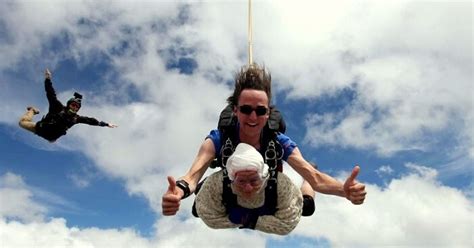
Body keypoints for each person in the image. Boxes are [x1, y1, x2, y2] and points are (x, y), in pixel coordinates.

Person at [162, 63, 366, 218]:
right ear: (235, 110)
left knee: (307, 208)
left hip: (266, 185)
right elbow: (192, 176)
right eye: (245, 109)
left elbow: (315, 177)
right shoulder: (218, 139)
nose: (253, 118)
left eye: (260, 111)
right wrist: (178, 192)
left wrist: (344, 191)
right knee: (198, 208)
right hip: (235, 183)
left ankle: (302, 189)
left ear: (268, 113)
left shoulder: (278, 142)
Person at [195, 143, 303, 235]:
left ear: (263, 176)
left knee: (307, 207)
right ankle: (202, 185)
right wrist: (236, 220)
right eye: (241, 181)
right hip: (224, 199)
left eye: (253, 181)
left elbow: (287, 224)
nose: (248, 188)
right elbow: (210, 218)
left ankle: (306, 182)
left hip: (270, 203)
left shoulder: (282, 184)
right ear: (231, 178)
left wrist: (252, 221)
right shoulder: (216, 183)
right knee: (197, 209)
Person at [18, 69, 117, 142]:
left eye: (77, 107)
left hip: (51, 137)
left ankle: (49, 134)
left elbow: (90, 121)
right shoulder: (57, 107)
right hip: (39, 129)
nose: (74, 108)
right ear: (69, 105)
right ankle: (32, 110)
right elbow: (51, 94)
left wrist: (106, 124)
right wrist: (48, 79)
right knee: (22, 122)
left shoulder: (76, 118)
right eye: (73, 105)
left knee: (52, 138)